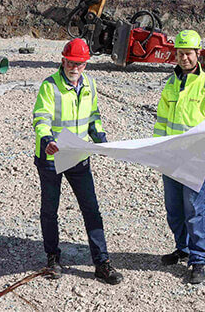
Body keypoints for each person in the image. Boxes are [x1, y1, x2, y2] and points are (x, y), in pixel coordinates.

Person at [32, 38, 121, 285]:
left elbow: (94, 117)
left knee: (91, 209)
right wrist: (46, 139)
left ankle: (101, 263)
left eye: (79, 64)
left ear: (85, 65)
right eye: (71, 62)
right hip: (51, 156)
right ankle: (53, 258)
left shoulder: (90, 84)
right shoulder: (50, 86)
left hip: (78, 156)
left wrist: (100, 138)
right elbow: (41, 118)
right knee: (50, 210)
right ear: (63, 60)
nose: (74, 67)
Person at [155, 29, 205, 284]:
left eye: (188, 54)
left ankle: (198, 260)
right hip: (172, 157)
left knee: (195, 210)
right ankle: (183, 248)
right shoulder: (171, 83)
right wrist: (156, 148)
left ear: (198, 54)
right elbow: (162, 121)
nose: (184, 58)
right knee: (174, 209)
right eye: (179, 54)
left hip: (197, 158)